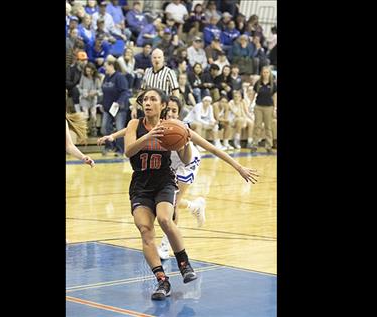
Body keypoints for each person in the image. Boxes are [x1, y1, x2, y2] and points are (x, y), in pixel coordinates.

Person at [98, 95, 259, 259]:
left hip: (187, 163)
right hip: (167, 164)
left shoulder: (181, 129)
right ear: (164, 110)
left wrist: (239, 167)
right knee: (161, 200)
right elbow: (132, 129)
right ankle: (194, 206)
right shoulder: (157, 124)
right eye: (170, 111)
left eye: (176, 111)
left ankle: (166, 246)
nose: (172, 115)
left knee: (172, 203)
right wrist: (113, 136)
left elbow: (213, 149)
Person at [124, 88, 197, 300]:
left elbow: (185, 159)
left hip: (164, 181)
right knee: (145, 230)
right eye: (145, 99)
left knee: (165, 219)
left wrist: (186, 139)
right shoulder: (134, 125)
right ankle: (162, 280)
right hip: (141, 184)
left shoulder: (170, 126)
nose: (147, 103)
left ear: (162, 105)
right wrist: (148, 136)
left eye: (153, 99)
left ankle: (184, 264)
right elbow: (128, 151)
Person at [248, 66, 277, 153]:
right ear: (262, 73)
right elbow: (253, 93)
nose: (265, 74)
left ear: (269, 73)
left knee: (268, 127)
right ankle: (254, 145)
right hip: (258, 107)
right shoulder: (258, 82)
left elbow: (275, 96)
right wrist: (250, 104)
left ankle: (268, 146)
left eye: (267, 72)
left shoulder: (273, 84)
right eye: (264, 72)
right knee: (257, 126)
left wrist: (275, 107)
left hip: (269, 107)